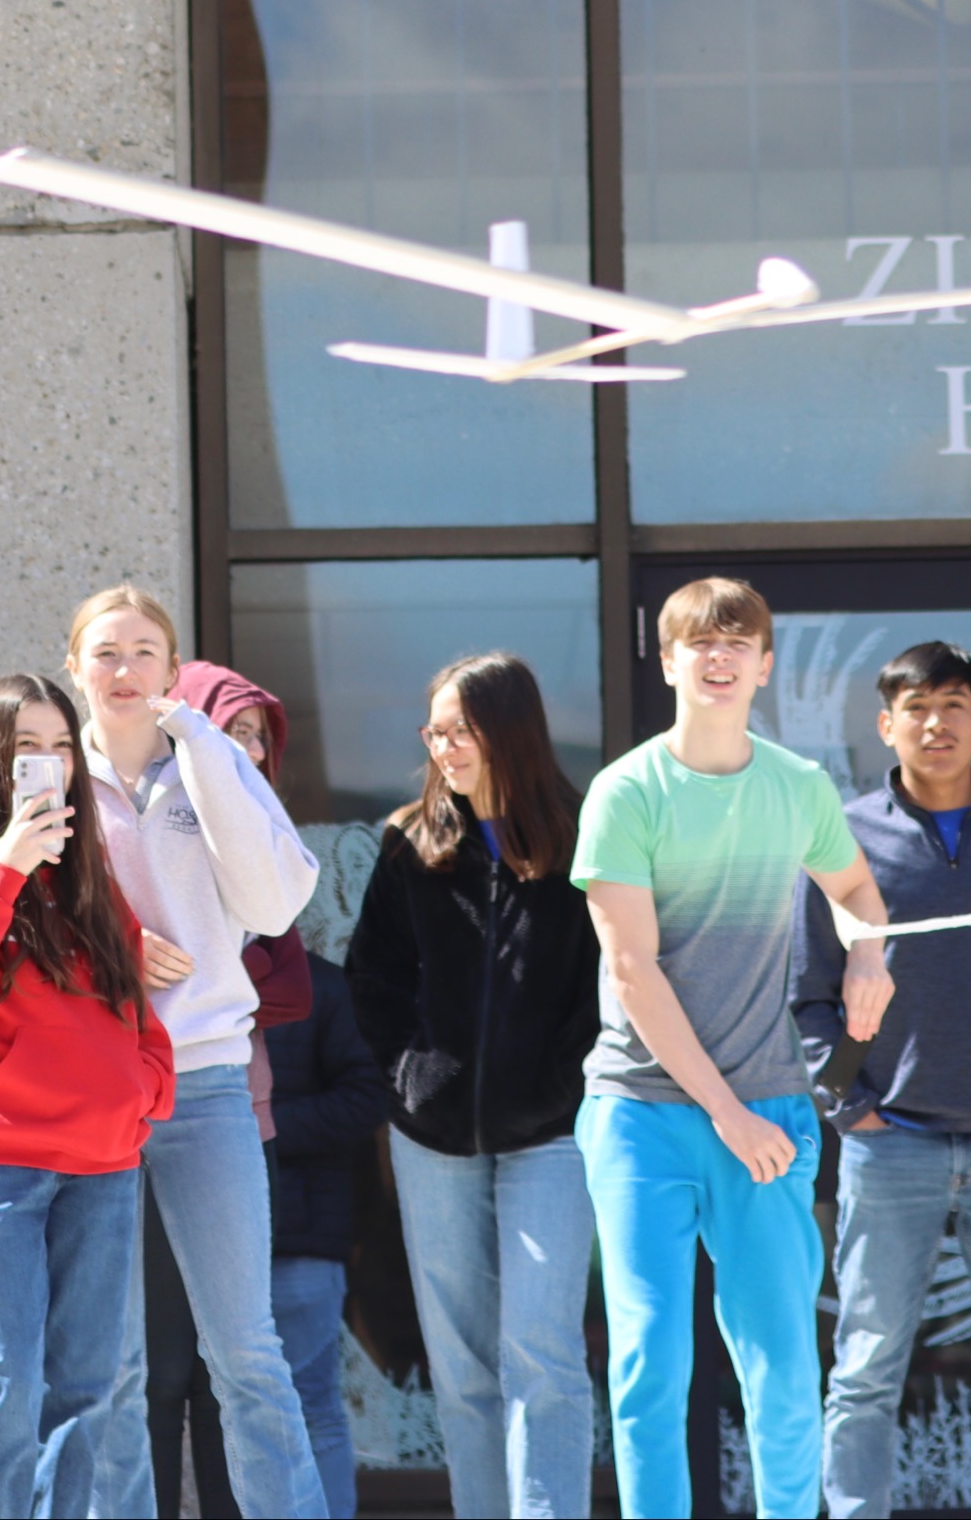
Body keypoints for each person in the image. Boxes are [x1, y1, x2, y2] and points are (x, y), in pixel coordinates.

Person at [573, 578, 892, 1520]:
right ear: (667, 662)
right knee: (649, 1369)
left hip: (773, 1114)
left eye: (736, 641)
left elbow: (860, 894)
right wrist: (726, 1112)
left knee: (785, 1368)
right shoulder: (626, 791)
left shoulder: (798, 787)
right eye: (697, 643)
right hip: (643, 1117)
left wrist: (870, 953)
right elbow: (632, 972)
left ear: (762, 664)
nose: (718, 657)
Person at [0, 672, 174, 1519]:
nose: (46, 765)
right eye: (24, 749)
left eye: (59, 747)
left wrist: (143, 1092)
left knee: (86, 1393)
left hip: (104, 1161)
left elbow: (132, 998)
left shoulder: (88, 868)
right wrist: (4, 869)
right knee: (7, 1386)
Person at [70, 587, 327, 1520]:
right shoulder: (50, 775)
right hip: (94, 1092)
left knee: (246, 1353)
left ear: (173, 671)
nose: (125, 671)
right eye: (106, 653)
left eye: (145, 652)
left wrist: (208, 750)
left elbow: (272, 907)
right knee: (115, 1363)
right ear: (75, 670)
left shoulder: (211, 763)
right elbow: (12, 923)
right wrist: (112, 938)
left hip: (208, 1082)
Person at [794, 641, 971, 1520]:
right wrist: (848, 1105)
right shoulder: (844, 837)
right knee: (865, 1372)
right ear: (886, 725)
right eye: (916, 707)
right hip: (891, 1141)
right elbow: (808, 994)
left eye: (953, 705)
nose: (935, 723)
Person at [343, 651, 600, 1520]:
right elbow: (372, 978)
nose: (442, 747)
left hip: (555, 1134)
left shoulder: (582, 836)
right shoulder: (411, 844)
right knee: (459, 1365)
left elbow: (609, 983)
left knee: (544, 1353)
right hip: (433, 1139)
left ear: (507, 731)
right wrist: (411, 1080)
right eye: (435, 731)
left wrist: (565, 1081)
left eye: (458, 730)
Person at [143, 658, 312, 1520]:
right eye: (230, 723)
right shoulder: (126, 791)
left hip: (226, 1108)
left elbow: (289, 974)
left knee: (240, 1358)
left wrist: (210, 961)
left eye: (257, 736)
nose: (244, 746)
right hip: (121, 1103)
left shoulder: (232, 801)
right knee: (144, 1367)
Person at [261, 950, 383, 1520]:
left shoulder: (323, 986)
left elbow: (365, 1100)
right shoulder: (322, 983)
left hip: (303, 1239)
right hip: (201, 1244)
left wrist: (257, 1127)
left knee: (311, 1408)